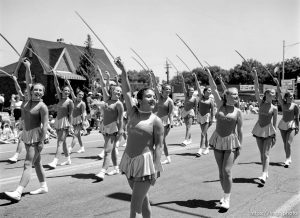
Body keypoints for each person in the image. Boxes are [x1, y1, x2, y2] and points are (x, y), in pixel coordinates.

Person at [116, 57, 163, 218]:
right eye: (149, 96)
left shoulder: (156, 121)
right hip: (129, 160)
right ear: (140, 100)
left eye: (154, 97)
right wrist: (123, 71)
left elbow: (159, 146)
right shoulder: (132, 113)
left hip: (145, 164)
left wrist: (156, 167)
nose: (153, 99)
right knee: (143, 201)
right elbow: (126, 92)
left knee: (135, 204)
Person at [4, 58, 49, 201]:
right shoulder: (28, 101)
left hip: (37, 137)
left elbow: (45, 125)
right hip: (27, 134)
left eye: (40, 90)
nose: (37, 91)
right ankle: (43, 186)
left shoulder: (42, 107)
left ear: (43, 93)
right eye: (35, 89)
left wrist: (41, 142)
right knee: (37, 162)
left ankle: (18, 192)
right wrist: (28, 67)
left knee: (28, 163)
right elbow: (29, 81)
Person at [206, 68, 243, 209]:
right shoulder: (220, 104)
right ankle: (224, 193)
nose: (236, 97)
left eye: (237, 95)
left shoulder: (238, 112)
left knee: (227, 171)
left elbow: (239, 130)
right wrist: (209, 75)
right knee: (221, 172)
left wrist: (239, 147)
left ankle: (227, 198)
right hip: (218, 140)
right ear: (226, 96)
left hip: (231, 142)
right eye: (233, 94)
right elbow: (213, 88)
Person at [95, 67, 124, 180]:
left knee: (107, 150)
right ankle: (116, 168)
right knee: (110, 150)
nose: (118, 93)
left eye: (120, 92)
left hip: (113, 128)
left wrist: (121, 130)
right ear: (112, 91)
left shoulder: (119, 104)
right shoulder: (107, 98)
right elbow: (102, 85)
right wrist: (101, 73)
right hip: (105, 126)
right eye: (117, 91)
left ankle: (102, 171)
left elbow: (121, 118)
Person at [252, 68, 277, 184]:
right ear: (266, 94)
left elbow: (275, 123)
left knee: (266, 154)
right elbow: (256, 88)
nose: (272, 95)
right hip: (258, 130)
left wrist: (275, 135)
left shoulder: (275, 108)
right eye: (270, 93)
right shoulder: (260, 103)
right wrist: (256, 75)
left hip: (268, 131)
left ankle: (263, 175)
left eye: (273, 94)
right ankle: (265, 171)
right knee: (262, 154)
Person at [47, 72, 74, 169]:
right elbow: (56, 85)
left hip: (64, 123)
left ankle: (55, 161)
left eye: (68, 91)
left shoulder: (70, 102)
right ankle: (68, 159)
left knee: (60, 142)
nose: (66, 92)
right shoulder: (60, 98)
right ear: (62, 91)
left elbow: (70, 114)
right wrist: (54, 75)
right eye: (65, 90)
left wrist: (70, 126)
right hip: (58, 121)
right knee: (63, 143)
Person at [274, 78, 299, 167]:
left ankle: (288, 159)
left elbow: (297, 117)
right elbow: (279, 94)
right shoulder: (283, 104)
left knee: (288, 143)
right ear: (286, 97)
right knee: (285, 143)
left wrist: (297, 127)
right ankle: (288, 157)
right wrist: (277, 84)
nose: (291, 97)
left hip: (291, 125)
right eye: (290, 96)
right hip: (283, 125)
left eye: (292, 96)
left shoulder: (295, 106)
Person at [150, 71, 174, 164]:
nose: (168, 91)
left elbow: (171, 113)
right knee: (159, 141)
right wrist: (152, 75)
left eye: (169, 89)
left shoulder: (170, 101)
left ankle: (158, 159)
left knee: (161, 141)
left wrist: (171, 124)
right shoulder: (159, 97)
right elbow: (155, 86)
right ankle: (167, 158)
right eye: (166, 89)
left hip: (165, 122)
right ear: (163, 90)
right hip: (157, 121)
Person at [8, 74, 31, 162]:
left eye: (27, 93)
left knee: (24, 140)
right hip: (23, 121)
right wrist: (15, 80)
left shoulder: (31, 101)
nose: (25, 94)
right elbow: (18, 89)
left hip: (30, 122)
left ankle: (17, 156)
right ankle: (21, 155)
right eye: (24, 93)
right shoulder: (23, 100)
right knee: (23, 139)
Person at [193, 73, 214, 157]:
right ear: (204, 91)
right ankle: (207, 148)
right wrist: (195, 77)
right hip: (200, 116)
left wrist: (212, 119)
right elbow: (198, 87)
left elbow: (212, 111)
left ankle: (200, 149)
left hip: (207, 117)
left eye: (210, 91)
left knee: (202, 134)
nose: (210, 91)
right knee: (204, 133)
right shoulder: (201, 97)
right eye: (208, 90)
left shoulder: (211, 100)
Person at [65, 79, 86, 154]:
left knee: (75, 136)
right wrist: (68, 84)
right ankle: (82, 148)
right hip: (73, 120)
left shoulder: (82, 103)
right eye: (79, 95)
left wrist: (83, 123)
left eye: (82, 95)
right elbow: (71, 91)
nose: (81, 96)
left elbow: (83, 113)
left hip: (79, 121)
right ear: (77, 95)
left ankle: (70, 148)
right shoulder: (74, 100)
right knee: (78, 135)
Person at [180, 74, 197, 146]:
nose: (192, 92)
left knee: (188, 126)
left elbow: (196, 107)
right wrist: (182, 79)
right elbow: (183, 87)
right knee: (187, 126)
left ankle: (185, 140)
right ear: (188, 91)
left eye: (193, 91)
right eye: (191, 91)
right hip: (184, 111)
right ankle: (190, 139)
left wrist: (195, 116)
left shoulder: (195, 98)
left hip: (191, 112)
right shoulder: (186, 96)